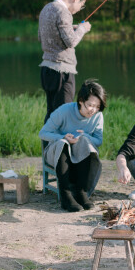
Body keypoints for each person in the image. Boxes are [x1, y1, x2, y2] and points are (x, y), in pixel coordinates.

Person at [39, 79, 106, 212]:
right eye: (90, 105)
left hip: (79, 153)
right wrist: (62, 137)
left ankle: (81, 191)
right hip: (56, 153)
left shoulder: (97, 116)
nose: (93, 110)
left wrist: (85, 135)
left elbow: (98, 141)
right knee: (63, 143)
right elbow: (43, 133)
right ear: (81, 100)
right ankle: (66, 195)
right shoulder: (64, 111)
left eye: (97, 107)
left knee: (86, 141)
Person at [38, 0, 91, 121]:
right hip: (62, 71)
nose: (81, 8)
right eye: (82, 4)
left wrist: (70, 28)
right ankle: (61, 143)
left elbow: (41, 36)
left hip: (46, 69)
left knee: (51, 113)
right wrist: (82, 29)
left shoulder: (47, 8)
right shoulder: (64, 12)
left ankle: (48, 143)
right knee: (64, 115)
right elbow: (71, 42)